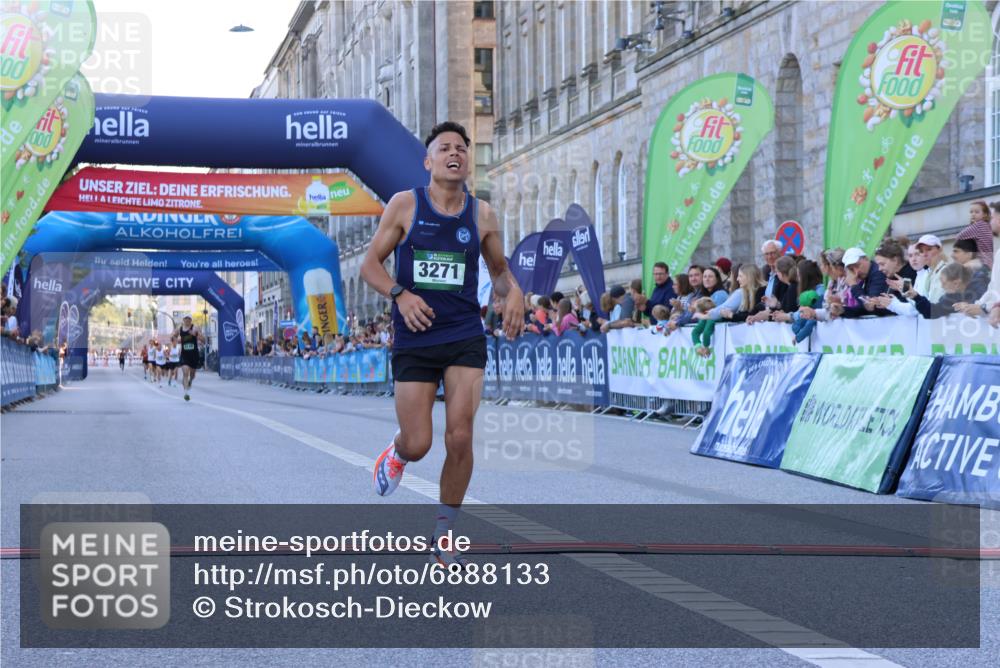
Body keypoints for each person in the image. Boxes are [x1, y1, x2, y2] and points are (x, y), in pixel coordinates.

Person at [359, 120, 524, 569]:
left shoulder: (482, 214)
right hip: (415, 337)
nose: (455, 153)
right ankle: (397, 452)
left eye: (461, 149)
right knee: (419, 443)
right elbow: (370, 265)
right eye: (445, 148)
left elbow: (499, 272)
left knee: (461, 435)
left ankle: (444, 532)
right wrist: (400, 294)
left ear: (468, 162)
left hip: (463, 336)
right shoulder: (405, 204)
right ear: (428, 161)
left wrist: (516, 293)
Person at [878, 263, 980, 319]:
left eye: (918, 254)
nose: (913, 259)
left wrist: (894, 304)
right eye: (910, 255)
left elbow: (920, 310)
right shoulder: (920, 275)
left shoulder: (929, 273)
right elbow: (923, 308)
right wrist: (910, 294)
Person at [956, 200, 994, 270]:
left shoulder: (977, 226)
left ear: (985, 214)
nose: (973, 214)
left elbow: (959, 236)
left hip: (981, 263)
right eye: (971, 212)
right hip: (990, 262)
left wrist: (972, 224)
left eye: (977, 212)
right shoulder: (988, 225)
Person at [175, 315, 206, 401]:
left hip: (194, 355)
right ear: (183, 320)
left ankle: (190, 381)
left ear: (191, 320)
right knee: (185, 373)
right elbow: (173, 337)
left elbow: (204, 340)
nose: (187, 320)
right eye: (186, 319)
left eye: (189, 319)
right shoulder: (179, 329)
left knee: (192, 375)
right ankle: (186, 393)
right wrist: (176, 339)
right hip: (184, 355)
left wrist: (196, 334)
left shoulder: (195, 328)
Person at [914, 234, 946, 302]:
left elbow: (935, 304)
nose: (924, 254)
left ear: (940, 250)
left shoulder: (946, 272)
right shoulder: (929, 274)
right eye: (921, 251)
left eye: (929, 249)